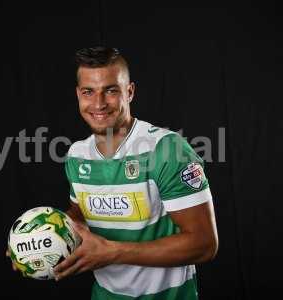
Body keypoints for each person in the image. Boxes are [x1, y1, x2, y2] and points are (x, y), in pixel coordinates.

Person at [52, 47, 218, 299]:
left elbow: (204, 244)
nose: (98, 103)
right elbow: (80, 213)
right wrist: (43, 235)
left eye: (110, 90)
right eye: (88, 92)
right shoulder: (77, 155)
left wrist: (112, 252)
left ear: (129, 92)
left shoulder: (167, 150)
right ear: (78, 95)